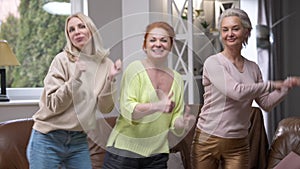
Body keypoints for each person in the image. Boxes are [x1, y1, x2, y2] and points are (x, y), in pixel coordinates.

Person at [191, 8, 300, 169]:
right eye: (225, 30)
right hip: (207, 139)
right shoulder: (213, 63)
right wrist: (272, 84)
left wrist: (285, 87)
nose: (230, 34)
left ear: (247, 32)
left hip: (238, 142)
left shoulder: (253, 68)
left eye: (235, 29)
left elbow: (266, 103)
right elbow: (236, 92)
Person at [26, 12, 122, 169]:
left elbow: (106, 108)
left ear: (91, 30)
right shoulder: (62, 60)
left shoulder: (106, 65)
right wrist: (75, 79)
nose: (76, 32)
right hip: (48, 138)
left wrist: (110, 80)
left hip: (78, 141)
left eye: (81, 26)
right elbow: (53, 104)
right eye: (71, 30)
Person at [102, 21, 195, 169]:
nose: (158, 44)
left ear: (171, 46)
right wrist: (157, 106)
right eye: (152, 40)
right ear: (144, 46)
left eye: (164, 40)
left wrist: (181, 123)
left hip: (156, 156)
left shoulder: (177, 78)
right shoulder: (134, 70)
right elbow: (128, 111)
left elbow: (175, 119)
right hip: (124, 152)